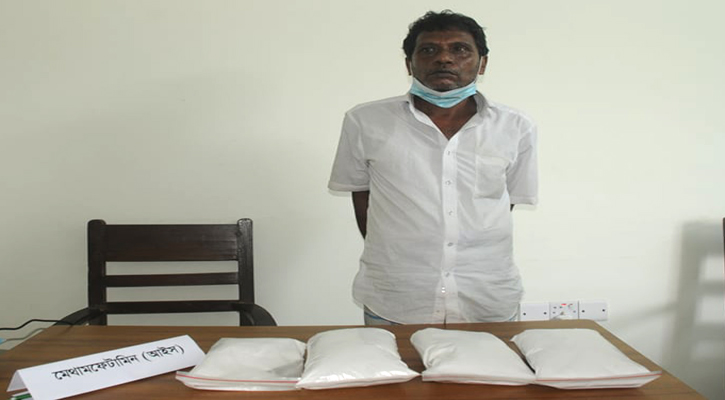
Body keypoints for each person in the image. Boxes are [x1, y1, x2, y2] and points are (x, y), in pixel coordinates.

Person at [328, 10, 538, 325]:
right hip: (396, 297)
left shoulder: (516, 126)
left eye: (459, 49)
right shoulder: (365, 121)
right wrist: (397, 253)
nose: (444, 58)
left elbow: (503, 203)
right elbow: (362, 196)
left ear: (482, 63)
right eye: (428, 50)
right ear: (409, 63)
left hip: (486, 296)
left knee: (492, 360)